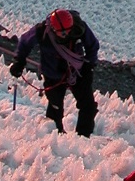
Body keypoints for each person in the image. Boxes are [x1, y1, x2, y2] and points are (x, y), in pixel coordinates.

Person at [10, 8, 99, 136]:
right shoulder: (42, 31)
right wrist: (19, 61)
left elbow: (93, 46)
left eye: (68, 31)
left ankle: (84, 137)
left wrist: (89, 65)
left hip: (77, 72)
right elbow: (24, 41)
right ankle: (54, 136)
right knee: (55, 106)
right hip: (53, 73)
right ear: (52, 28)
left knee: (88, 106)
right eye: (62, 32)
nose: (65, 35)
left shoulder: (80, 28)